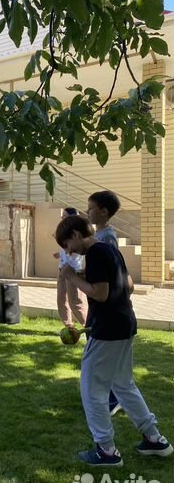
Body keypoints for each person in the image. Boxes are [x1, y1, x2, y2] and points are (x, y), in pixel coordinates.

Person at [56, 214, 173, 466]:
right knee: (122, 384)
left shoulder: (95, 253)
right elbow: (127, 286)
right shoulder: (109, 249)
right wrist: (82, 274)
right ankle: (154, 439)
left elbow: (100, 293)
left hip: (108, 331)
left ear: (75, 235)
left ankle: (106, 451)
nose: (68, 251)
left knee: (92, 389)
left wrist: (70, 276)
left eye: (66, 245)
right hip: (124, 324)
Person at [87, 190, 122, 416]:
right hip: (98, 303)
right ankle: (111, 395)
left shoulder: (106, 238)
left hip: (105, 306)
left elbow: (109, 270)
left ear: (104, 212)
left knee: (100, 353)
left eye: (90, 208)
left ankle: (112, 398)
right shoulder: (99, 235)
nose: (87, 211)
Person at [53, 208, 87, 329]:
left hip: (74, 270)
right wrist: (59, 253)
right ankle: (68, 326)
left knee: (76, 302)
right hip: (63, 268)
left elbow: (77, 250)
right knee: (62, 299)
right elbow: (66, 248)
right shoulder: (64, 231)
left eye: (65, 216)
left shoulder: (77, 232)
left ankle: (88, 327)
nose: (62, 218)